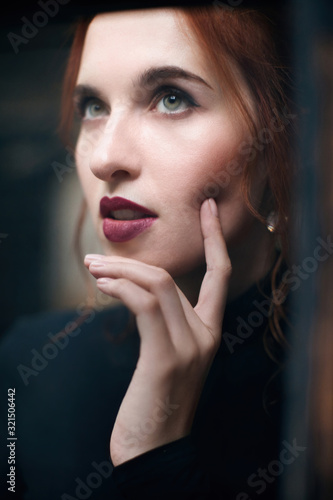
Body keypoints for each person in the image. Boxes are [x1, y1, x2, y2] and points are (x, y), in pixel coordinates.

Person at [0, 4, 295, 499]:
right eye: (93, 106)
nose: (105, 157)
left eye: (172, 98)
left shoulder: (315, 397)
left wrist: (154, 456)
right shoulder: (28, 365)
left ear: (280, 138)